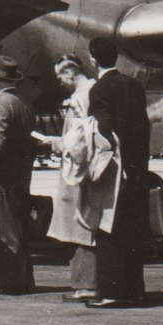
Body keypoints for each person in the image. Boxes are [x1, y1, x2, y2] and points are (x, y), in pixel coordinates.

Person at [85, 36, 152, 309]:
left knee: (108, 231)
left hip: (115, 169)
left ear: (92, 59)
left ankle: (112, 291)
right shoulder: (135, 86)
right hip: (137, 168)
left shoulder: (99, 89)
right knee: (133, 231)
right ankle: (136, 290)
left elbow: (104, 132)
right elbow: (143, 128)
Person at [46, 54, 99, 302]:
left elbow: (81, 139)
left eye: (60, 77)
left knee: (78, 225)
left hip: (77, 172)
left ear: (70, 72)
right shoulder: (91, 92)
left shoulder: (81, 97)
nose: (59, 83)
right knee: (79, 224)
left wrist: (60, 143)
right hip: (81, 171)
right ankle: (84, 283)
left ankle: (85, 284)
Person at [0, 55, 36, 295]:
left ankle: (11, 280)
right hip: (22, 174)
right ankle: (25, 278)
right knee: (20, 227)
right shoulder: (23, 104)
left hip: (3, 176)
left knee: (7, 230)